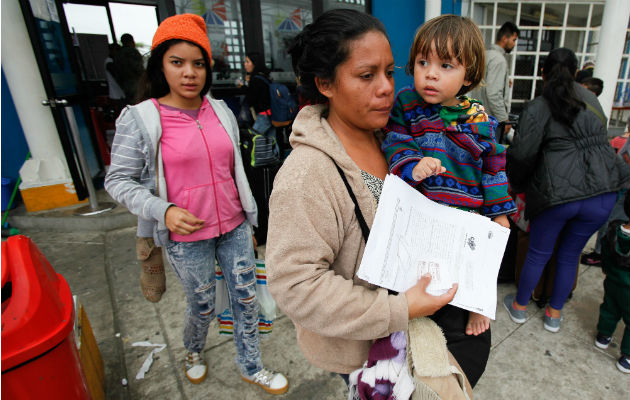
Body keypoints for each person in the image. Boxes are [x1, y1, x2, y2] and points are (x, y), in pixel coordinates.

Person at [265, 8, 458, 390]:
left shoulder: (391, 138)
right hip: (362, 348)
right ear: (325, 84)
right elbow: (296, 285)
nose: (386, 87)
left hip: (418, 319)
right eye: (366, 76)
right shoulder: (307, 174)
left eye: (389, 72)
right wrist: (397, 309)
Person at [105, 14, 288, 393]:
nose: (190, 73)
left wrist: (250, 223)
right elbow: (117, 181)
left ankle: (251, 364)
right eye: (178, 62)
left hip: (234, 226)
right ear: (159, 65)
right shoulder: (141, 119)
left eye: (198, 63)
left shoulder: (220, 110)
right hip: (186, 237)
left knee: (246, 296)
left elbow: (234, 172)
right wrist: (164, 211)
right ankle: (193, 349)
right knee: (202, 304)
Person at [381, 14, 515, 385]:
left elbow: (493, 166)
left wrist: (499, 210)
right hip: (422, 210)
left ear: (469, 75)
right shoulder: (406, 104)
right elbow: (393, 138)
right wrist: (412, 162)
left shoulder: (481, 119)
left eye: (445, 65)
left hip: (467, 212)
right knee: (421, 267)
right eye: (423, 63)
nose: (430, 74)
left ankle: (477, 306)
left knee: (473, 264)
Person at [504, 47, 630, 333]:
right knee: (570, 254)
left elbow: (522, 154)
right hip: (602, 191)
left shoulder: (538, 105)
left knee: (538, 251)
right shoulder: (593, 101)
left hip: (558, 194)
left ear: (542, 72)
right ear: (576, 73)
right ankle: (554, 315)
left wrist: (520, 186)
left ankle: (520, 307)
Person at [594, 191, 630, 374]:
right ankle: (627, 357)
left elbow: (605, 256)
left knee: (609, 309)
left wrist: (607, 271)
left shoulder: (614, 230)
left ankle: (603, 336)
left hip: (612, 282)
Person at [469, 21, 519, 138]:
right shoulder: (498, 60)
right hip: (491, 121)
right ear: (504, 38)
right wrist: (503, 118)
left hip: (477, 116)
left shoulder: (485, 55)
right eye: (514, 40)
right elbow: (493, 93)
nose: (514, 44)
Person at [114, 33, 144, 104]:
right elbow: (138, 68)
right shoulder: (131, 52)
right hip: (136, 83)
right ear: (131, 41)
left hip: (125, 85)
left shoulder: (118, 54)